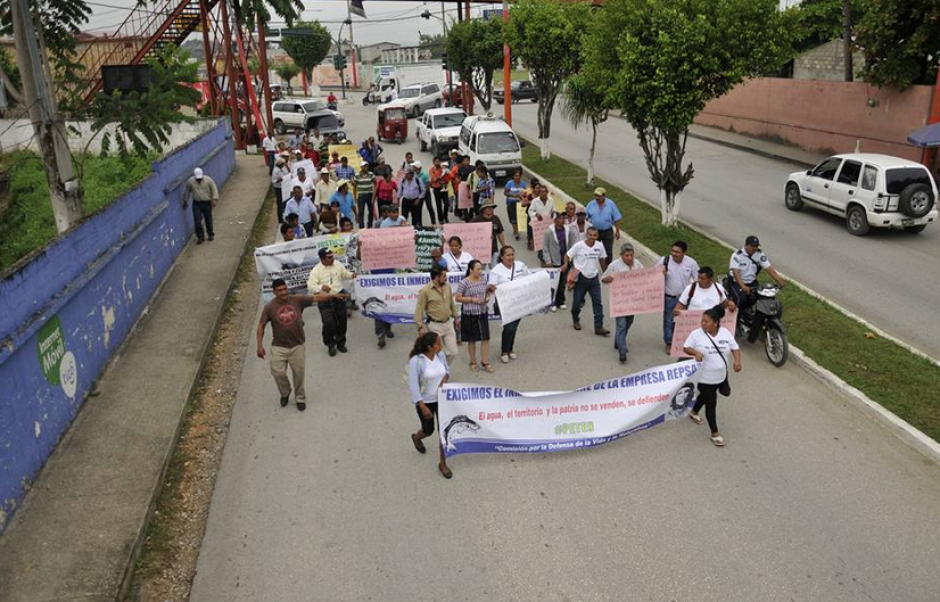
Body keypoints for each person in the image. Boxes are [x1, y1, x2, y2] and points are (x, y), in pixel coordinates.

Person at [257, 278, 322, 411]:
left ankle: (300, 398)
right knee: (277, 372)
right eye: (279, 290)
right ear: (274, 292)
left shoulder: (297, 300)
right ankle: (285, 392)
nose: (283, 292)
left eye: (285, 289)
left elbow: (317, 298)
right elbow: (261, 325)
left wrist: (335, 295)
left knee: (299, 374)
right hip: (279, 346)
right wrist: (259, 345)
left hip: (297, 345)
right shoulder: (269, 307)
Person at [683, 305, 742, 447]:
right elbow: (686, 347)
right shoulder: (696, 334)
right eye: (702, 321)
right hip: (704, 377)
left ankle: (694, 411)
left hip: (721, 376)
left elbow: (735, 348)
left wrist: (737, 361)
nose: (703, 323)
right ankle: (715, 433)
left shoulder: (725, 333)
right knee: (711, 402)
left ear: (716, 323)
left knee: (705, 396)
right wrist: (695, 353)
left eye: (706, 321)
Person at [407, 331, 453, 479]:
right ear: (429, 347)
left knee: (443, 431)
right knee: (429, 430)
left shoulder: (440, 355)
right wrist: (422, 405)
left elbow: (447, 371)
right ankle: (417, 437)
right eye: (438, 343)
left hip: (441, 399)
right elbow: (413, 385)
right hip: (425, 402)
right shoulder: (416, 361)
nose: (441, 345)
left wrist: (443, 384)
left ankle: (443, 464)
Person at [307, 248, 356, 356]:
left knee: (342, 322)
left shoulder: (337, 264)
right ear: (322, 258)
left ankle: (341, 343)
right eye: (329, 257)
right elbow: (310, 286)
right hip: (325, 301)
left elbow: (344, 274)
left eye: (332, 256)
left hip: (339, 297)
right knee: (329, 323)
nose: (332, 259)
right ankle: (330, 345)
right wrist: (321, 287)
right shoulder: (316, 270)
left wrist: (352, 275)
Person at [564, 227, 610, 337]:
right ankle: (576, 320)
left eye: (595, 235)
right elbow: (567, 255)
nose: (592, 237)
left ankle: (598, 327)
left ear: (597, 236)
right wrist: (566, 265)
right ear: (586, 235)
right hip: (581, 278)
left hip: (594, 279)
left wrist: (605, 273)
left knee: (598, 303)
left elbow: (602, 260)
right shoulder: (579, 246)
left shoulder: (599, 246)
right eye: (590, 235)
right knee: (576, 302)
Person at [602, 243, 644, 363]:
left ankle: (618, 342)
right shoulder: (614, 266)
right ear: (621, 255)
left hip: (633, 301)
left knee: (629, 322)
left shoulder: (637, 264)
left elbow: (645, 277)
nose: (629, 258)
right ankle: (622, 351)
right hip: (619, 302)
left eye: (631, 255)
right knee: (621, 325)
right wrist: (611, 278)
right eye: (627, 255)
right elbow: (603, 279)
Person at [728, 235, 787, 319]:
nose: (755, 248)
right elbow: (736, 272)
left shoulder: (759, 254)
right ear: (746, 245)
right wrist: (743, 286)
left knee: (765, 298)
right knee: (741, 300)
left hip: (752, 282)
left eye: (756, 246)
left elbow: (768, 268)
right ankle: (736, 324)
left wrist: (779, 280)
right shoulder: (737, 256)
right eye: (752, 246)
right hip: (737, 283)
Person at [490, 246, 530, 363]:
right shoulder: (496, 270)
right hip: (505, 304)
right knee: (509, 327)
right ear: (502, 257)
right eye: (507, 255)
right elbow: (491, 287)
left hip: (519, 302)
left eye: (512, 254)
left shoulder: (520, 265)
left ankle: (510, 350)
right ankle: (504, 351)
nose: (510, 257)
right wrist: (495, 288)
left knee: (514, 327)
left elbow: (530, 278)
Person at [455, 259, 495, 372]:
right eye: (478, 269)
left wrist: (488, 295)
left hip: (482, 312)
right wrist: (472, 299)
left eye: (481, 269)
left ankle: (485, 362)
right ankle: (473, 362)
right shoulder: (464, 282)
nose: (480, 271)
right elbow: (457, 297)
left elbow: (485, 292)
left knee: (485, 338)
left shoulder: (483, 280)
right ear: (471, 270)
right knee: (471, 340)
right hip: (469, 313)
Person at [660, 240, 700, 353]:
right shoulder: (664, 260)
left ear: (684, 253)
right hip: (669, 297)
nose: (674, 254)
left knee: (680, 321)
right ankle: (669, 343)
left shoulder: (691, 263)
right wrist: (660, 273)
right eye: (672, 251)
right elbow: (653, 276)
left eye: (677, 252)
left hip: (684, 300)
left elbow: (698, 279)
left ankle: (680, 341)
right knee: (668, 320)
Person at [414, 266, 460, 364]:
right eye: (443, 276)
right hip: (435, 326)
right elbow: (419, 309)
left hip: (448, 324)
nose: (446, 278)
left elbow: (451, 303)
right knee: (439, 353)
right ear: (436, 277)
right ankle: (440, 374)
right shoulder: (425, 291)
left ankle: (442, 370)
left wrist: (456, 318)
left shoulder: (447, 286)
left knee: (453, 352)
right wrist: (420, 327)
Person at [584, 187, 622, 268]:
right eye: (595, 196)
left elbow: (616, 218)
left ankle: (607, 269)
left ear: (604, 196)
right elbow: (585, 217)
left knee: (608, 252)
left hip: (607, 231)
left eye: (599, 196)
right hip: (595, 232)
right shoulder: (591, 204)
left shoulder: (611, 204)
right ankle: (591, 266)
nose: (597, 198)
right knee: (592, 249)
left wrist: (617, 231)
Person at [182, 167, 220, 244]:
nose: (199, 180)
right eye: (197, 179)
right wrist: (185, 201)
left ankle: (210, 234)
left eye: (200, 178)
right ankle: (200, 237)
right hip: (196, 203)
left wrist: (215, 199)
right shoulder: (190, 182)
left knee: (208, 219)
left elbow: (214, 189)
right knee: (197, 221)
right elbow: (187, 191)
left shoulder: (208, 180)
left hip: (206, 202)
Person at [542, 213, 569, 312]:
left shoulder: (567, 230)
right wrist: (548, 260)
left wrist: (567, 262)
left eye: (563, 218)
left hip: (564, 261)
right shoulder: (549, 232)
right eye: (559, 219)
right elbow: (545, 248)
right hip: (554, 262)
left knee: (562, 283)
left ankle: (561, 301)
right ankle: (551, 302)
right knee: (553, 284)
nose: (562, 220)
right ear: (555, 220)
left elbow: (569, 247)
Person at [472, 199, 506, 265]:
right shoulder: (476, 220)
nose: (490, 209)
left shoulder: (496, 218)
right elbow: (468, 232)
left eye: (492, 207)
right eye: (488, 207)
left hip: (494, 249)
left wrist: (504, 246)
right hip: (480, 250)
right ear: (483, 209)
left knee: (495, 268)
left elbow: (499, 233)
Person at [504, 170, 527, 240]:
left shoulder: (523, 184)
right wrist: (514, 195)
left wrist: (522, 196)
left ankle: (518, 229)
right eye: (516, 176)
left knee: (519, 218)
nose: (517, 177)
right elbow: (505, 193)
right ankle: (515, 231)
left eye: (519, 176)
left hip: (520, 203)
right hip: (511, 203)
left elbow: (525, 193)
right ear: (513, 177)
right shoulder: (509, 183)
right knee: (513, 217)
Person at [354, 162, 375, 229]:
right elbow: (355, 186)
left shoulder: (371, 174)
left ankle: (369, 225)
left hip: (370, 194)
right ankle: (361, 226)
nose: (366, 167)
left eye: (367, 166)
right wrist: (355, 196)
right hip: (361, 194)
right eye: (364, 166)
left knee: (371, 211)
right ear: (361, 167)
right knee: (361, 211)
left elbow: (376, 183)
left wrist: (374, 195)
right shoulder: (357, 175)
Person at [429, 156, 449, 224]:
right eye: (436, 161)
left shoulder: (443, 168)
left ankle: (445, 217)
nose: (437, 162)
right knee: (438, 205)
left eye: (438, 161)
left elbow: (447, 178)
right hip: (436, 189)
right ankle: (440, 219)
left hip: (444, 187)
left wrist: (442, 180)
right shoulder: (431, 170)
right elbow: (433, 179)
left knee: (446, 203)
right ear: (433, 162)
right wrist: (440, 179)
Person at [271, 158, 290, 223]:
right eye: (283, 164)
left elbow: (288, 173)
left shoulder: (281, 169)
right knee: (280, 204)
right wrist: (280, 180)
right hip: (278, 188)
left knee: (283, 202)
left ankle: (284, 217)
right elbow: (274, 181)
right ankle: (280, 219)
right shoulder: (276, 170)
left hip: (283, 187)